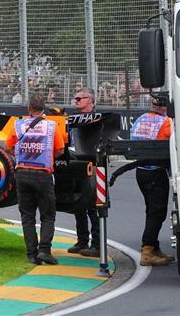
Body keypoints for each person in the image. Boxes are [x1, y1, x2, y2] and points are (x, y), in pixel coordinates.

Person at [6, 93, 65, 265]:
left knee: (27, 215)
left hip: (22, 173)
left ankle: (32, 254)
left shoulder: (17, 125)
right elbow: (60, 150)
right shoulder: (52, 126)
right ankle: (44, 251)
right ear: (44, 108)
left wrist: (21, 155)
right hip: (43, 174)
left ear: (29, 109)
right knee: (47, 215)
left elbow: (8, 147)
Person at [130, 96, 174, 266]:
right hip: (156, 171)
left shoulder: (141, 119)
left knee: (151, 210)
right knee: (157, 212)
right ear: (166, 108)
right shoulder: (166, 122)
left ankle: (154, 248)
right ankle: (147, 251)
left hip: (141, 171)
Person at [67, 87, 101, 257]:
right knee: (77, 203)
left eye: (80, 98)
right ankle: (82, 240)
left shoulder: (98, 120)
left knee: (94, 206)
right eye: (76, 98)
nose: (76, 100)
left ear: (91, 100)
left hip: (93, 167)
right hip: (76, 165)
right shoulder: (73, 120)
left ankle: (97, 244)